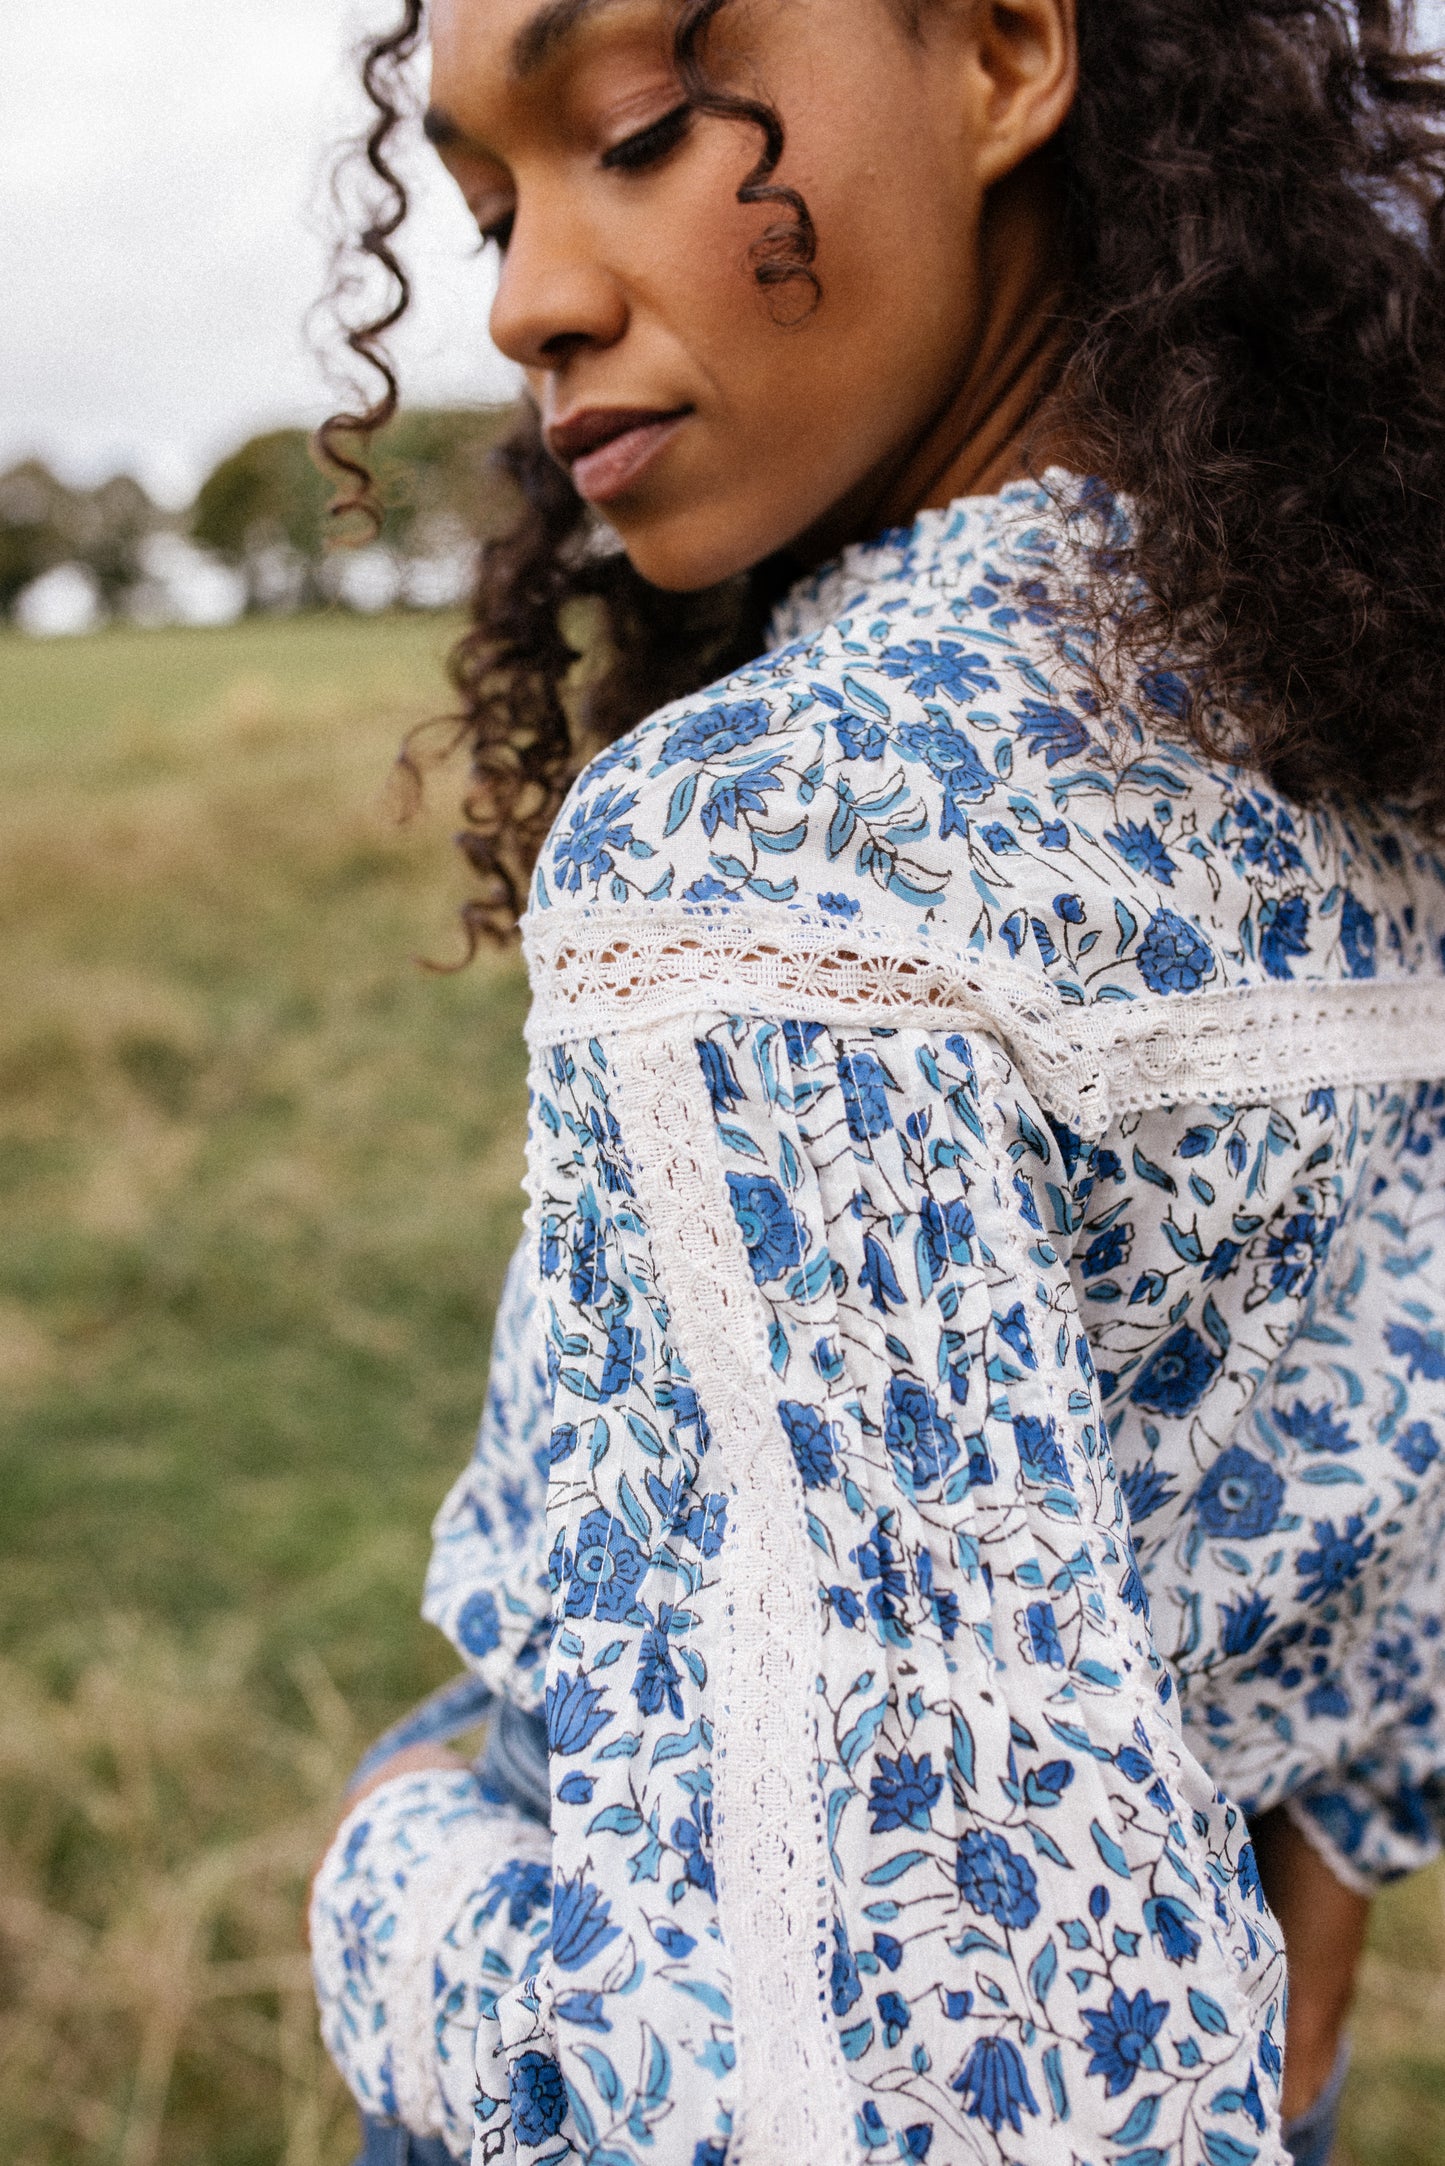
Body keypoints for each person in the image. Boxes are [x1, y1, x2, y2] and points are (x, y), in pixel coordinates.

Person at [307, 2, 1445, 2162]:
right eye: (483, 210)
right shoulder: (1371, 728)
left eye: (638, 127)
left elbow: (841, 2095)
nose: (532, 297)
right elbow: (1389, 1528)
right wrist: (1299, 1974)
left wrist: (389, 1870)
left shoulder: (777, 845)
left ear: (1013, 53)